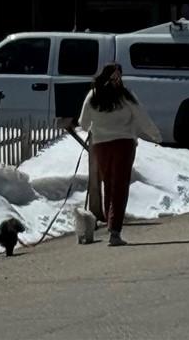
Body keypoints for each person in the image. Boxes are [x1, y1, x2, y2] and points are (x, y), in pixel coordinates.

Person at [73, 64, 161, 246]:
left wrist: (96, 126)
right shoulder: (125, 96)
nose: (118, 80)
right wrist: (156, 135)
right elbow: (142, 117)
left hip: (101, 145)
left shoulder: (93, 96)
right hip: (124, 144)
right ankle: (114, 230)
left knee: (109, 184)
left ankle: (111, 223)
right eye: (116, 77)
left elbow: (83, 122)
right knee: (120, 186)